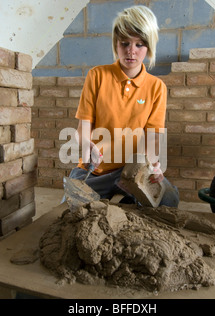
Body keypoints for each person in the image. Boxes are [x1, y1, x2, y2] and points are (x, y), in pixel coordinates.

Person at [67, 5, 179, 207]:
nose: (131, 51)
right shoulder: (97, 76)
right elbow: (82, 129)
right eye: (125, 43)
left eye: (140, 45)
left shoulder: (156, 87)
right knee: (72, 208)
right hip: (95, 170)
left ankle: (127, 203)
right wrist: (86, 145)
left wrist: (151, 167)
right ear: (116, 44)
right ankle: (110, 201)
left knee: (168, 200)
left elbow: (152, 137)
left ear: (149, 47)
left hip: (130, 172)